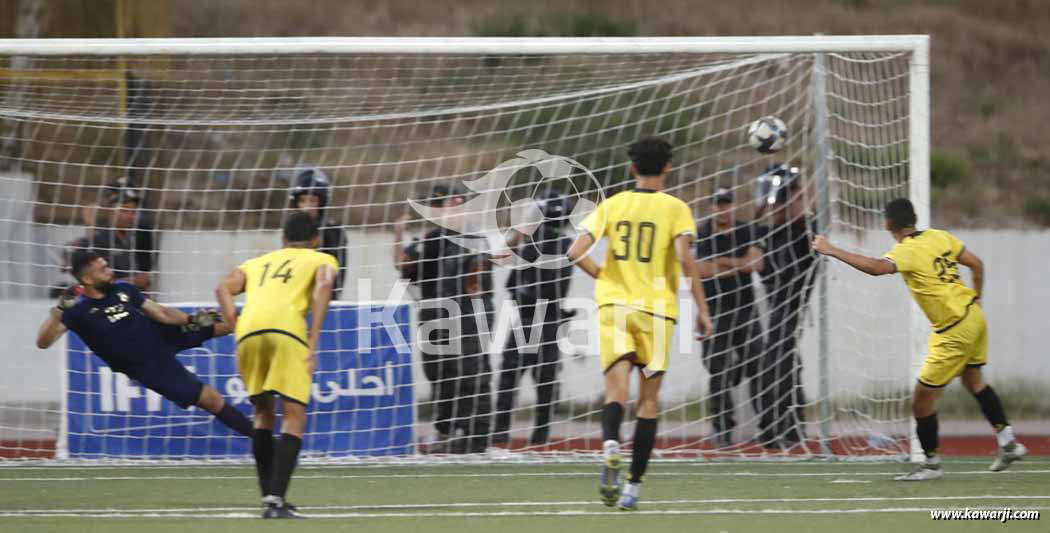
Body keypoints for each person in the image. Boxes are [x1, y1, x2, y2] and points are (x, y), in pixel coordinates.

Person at [813, 198, 1028, 480]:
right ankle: (1008, 441)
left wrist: (831, 250)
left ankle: (931, 465)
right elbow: (976, 264)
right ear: (913, 219)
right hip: (973, 316)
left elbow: (877, 268)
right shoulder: (939, 236)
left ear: (888, 223)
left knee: (921, 401)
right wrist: (978, 297)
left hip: (953, 330)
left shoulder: (907, 250)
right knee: (974, 382)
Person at [568, 137, 713, 511]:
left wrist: (602, 274)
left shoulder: (613, 204)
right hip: (657, 312)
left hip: (615, 306)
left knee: (616, 392)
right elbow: (684, 260)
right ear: (667, 167)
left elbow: (573, 251)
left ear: (632, 168)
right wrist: (701, 308)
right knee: (648, 402)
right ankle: (633, 487)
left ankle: (610, 443)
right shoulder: (676, 208)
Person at [35, 250, 252, 438]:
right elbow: (43, 342)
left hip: (162, 334)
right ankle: (264, 440)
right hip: (147, 365)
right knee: (212, 399)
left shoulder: (123, 289)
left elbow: (161, 313)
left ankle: (279, 324)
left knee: (231, 321)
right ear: (88, 280)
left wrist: (191, 319)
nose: (110, 271)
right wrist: (58, 312)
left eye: (107, 266)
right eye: (103, 269)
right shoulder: (76, 311)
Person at [215, 211, 337, 519]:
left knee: (263, 413)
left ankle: (270, 495)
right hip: (286, 331)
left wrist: (232, 320)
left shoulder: (257, 262)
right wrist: (313, 339)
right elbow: (323, 287)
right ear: (316, 240)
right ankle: (275, 501)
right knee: (293, 416)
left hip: (248, 333)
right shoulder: (322, 258)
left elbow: (222, 289)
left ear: (283, 240)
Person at [395, 183, 495, 454]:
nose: (449, 211)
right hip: (434, 318)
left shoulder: (474, 238)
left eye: (454, 204)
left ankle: (476, 436)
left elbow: (477, 283)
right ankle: (446, 431)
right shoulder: (430, 239)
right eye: (442, 206)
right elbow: (404, 268)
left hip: (467, 317)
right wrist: (398, 235)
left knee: (471, 375)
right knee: (438, 375)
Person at [493, 192, 575, 447]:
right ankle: (539, 438)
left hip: (531, 319)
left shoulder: (535, 244)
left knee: (511, 379)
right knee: (544, 383)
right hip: (548, 320)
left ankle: (500, 436)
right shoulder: (566, 244)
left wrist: (523, 227)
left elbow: (500, 255)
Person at [694, 188, 765, 448]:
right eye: (718, 204)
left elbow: (755, 264)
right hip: (712, 310)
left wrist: (721, 263)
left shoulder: (747, 230)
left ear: (733, 205)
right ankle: (722, 429)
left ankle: (766, 426)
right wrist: (737, 263)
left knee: (758, 364)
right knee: (716, 370)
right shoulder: (701, 232)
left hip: (745, 309)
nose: (722, 209)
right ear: (712, 207)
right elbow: (701, 269)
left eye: (726, 204)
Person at [754, 163, 816, 449]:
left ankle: (785, 428)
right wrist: (764, 201)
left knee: (779, 360)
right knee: (782, 361)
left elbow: (803, 221)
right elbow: (757, 234)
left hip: (793, 300)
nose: (778, 206)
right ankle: (778, 429)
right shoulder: (770, 233)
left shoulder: (803, 230)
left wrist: (795, 191)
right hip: (775, 302)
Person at [90, 178, 157, 292]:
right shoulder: (98, 240)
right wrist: (132, 281)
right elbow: (94, 283)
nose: (131, 216)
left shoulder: (139, 236)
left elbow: (145, 275)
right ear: (110, 210)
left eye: (134, 211)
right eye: (125, 210)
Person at [289, 168, 347, 299]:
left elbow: (337, 278)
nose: (307, 207)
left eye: (312, 201)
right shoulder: (291, 229)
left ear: (322, 203)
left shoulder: (334, 231)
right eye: (303, 201)